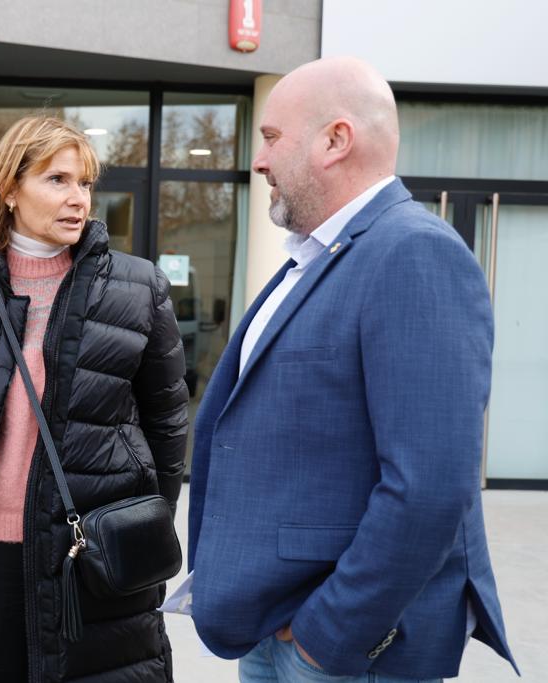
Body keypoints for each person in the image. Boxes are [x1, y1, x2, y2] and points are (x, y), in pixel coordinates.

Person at [186, 56, 518, 682]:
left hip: (343, 651)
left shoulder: (413, 254)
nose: (260, 161)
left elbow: (429, 488)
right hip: (274, 627)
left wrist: (326, 636)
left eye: (272, 138)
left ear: (336, 140)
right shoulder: (315, 260)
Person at [0, 116, 189, 682]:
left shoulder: (139, 289)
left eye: (85, 183)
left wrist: (142, 521)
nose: (78, 199)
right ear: (9, 190)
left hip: (91, 552)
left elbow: (168, 424)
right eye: (57, 180)